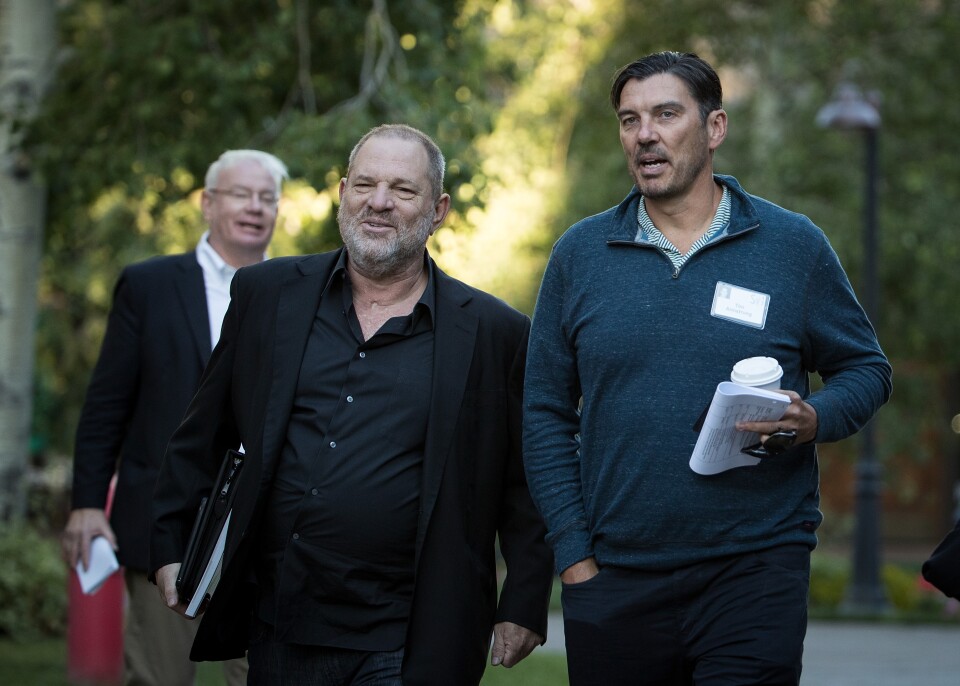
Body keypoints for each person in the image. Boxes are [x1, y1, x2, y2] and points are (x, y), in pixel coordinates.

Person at [522, 51, 892, 686]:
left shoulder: (791, 245)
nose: (645, 134)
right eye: (630, 119)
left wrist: (814, 418)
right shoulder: (579, 255)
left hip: (754, 571)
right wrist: (574, 556)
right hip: (615, 580)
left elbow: (866, 368)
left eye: (666, 114)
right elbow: (544, 414)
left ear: (714, 128)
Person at [150, 124, 554, 685]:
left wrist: (524, 600)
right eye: (364, 184)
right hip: (281, 620)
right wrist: (170, 546)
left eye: (402, 190)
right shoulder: (266, 297)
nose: (379, 202)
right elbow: (199, 435)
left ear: (438, 210)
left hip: (413, 631)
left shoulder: (496, 332)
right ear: (343, 193)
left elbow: (525, 483)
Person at [61, 149, 289, 686]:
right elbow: (106, 403)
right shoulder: (149, 285)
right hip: (167, 519)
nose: (255, 207)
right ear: (208, 203)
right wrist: (88, 503)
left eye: (267, 198)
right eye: (241, 194)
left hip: (265, 527)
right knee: (159, 677)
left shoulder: (299, 288)